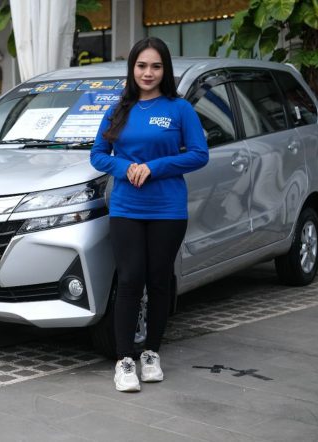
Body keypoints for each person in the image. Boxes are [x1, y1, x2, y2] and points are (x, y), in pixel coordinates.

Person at [90, 36, 209, 392]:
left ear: (165, 70)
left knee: (159, 281)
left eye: (156, 66)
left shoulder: (179, 108)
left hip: (168, 209)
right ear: (133, 69)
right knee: (129, 279)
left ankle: (151, 353)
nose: (148, 72)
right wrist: (125, 167)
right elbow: (98, 154)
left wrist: (154, 167)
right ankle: (124, 359)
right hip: (127, 207)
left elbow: (199, 154)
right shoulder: (118, 109)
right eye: (142, 66)